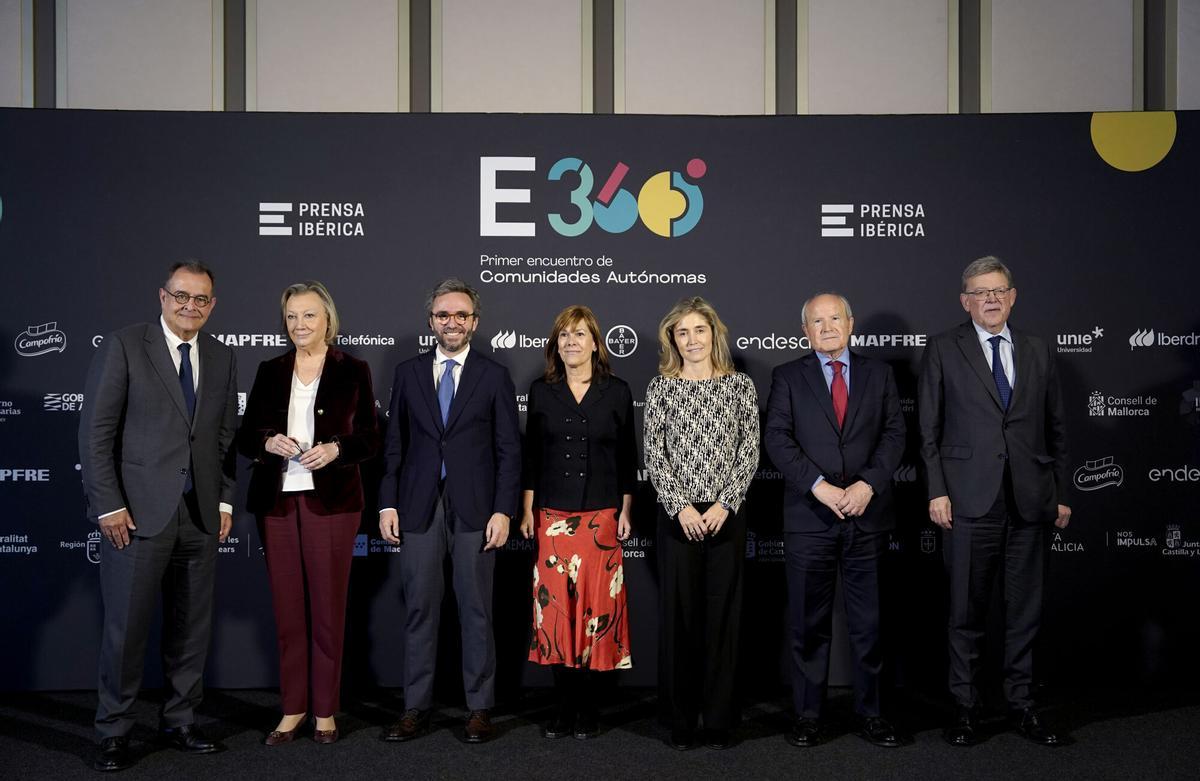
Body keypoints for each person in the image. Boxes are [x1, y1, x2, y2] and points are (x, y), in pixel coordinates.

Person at [78, 260, 237, 772]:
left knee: (191, 628)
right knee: (125, 630)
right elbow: (96, 433)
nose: (191, 306)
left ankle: (180, 720)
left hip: (199, 516)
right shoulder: (125, 346)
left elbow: (223, 438)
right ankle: (114, 730)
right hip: (136, 515)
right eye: (181, 296)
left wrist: (224, 500)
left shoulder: (220, 355)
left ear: (212, 305)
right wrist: (108, 504)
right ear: (163, 297)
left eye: (201, 299)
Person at [918, 256, 1071, 747]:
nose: (990, 299)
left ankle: (1024, 707)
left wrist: (1060, 493)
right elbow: (928, 430)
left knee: (1024, 612)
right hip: (966, 501)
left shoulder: (1037, 349)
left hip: (1029, 501)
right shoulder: (944, 348)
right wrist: (937, 490)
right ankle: (965, 709)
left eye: (998, 290)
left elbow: (1057, 428)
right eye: (980, 292)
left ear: (1013, 295)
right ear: (965, 302)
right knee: (965, 612)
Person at [378, 278, 521, 744]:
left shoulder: (494, 375)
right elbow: (394, 445)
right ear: (431, 322)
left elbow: (508, 451)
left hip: (477, 510)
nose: (452, 322)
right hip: (418, 506)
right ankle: (415, 707)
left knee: (476, 609)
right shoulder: (408, 372)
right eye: (443, 315)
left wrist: (503, 511)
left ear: (475, 322)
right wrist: (387, 501)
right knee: (420, 608)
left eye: (461, 315)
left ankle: (479, 708)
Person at [764, 293, 909, 749]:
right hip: (810, 518)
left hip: (867, 515)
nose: (826, 327)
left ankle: (874, 713)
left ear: (851, 323)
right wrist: (820, 487)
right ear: (805, 331)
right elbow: (778, 439)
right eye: (816, 321)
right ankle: (809, 715)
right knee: (809, 625)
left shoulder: (880, 374)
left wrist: (867, 484)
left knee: (870, 623)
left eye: (834, 318)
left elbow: (894, 434)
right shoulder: (787, 376)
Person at [237, 281, 379, 746]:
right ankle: (292, 709)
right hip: (277, 502)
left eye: (309, 316)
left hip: (333, 503)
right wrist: (265, 441)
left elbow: (371, 438)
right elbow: (245, 435)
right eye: (292, 316)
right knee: (287, 610)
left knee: (327, 608)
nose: (300, 325)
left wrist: (336, 449)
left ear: (328, 320)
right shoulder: (269, 368)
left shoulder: (353, 369)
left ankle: (324, 711)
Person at [643, 296, 759, 751]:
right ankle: (682, 720)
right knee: (681, 618)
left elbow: (748, 451)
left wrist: (724, 503)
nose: (692, 340)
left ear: (715, 334)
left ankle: (719, 720)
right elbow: (654, 454)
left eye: (699, 330)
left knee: (723, 619)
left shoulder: (739, 387)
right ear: (673, 339)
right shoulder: (661, 388)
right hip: (678, 517)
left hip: (726, 516)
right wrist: (681, 506)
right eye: (682, 332)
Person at [519, 305, 637, 740]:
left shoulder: (618, 390)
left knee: (595, 616)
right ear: (556, 345)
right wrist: (528, 510)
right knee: (557, 619)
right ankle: (562, 708)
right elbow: (532, 457)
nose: (572, 342)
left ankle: (589, 708)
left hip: (601, 517)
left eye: (580, 334)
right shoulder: (542, 390)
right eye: (564, 335)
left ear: (594, 342)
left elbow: (628, 458)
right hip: (552, 518)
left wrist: (626, 510)